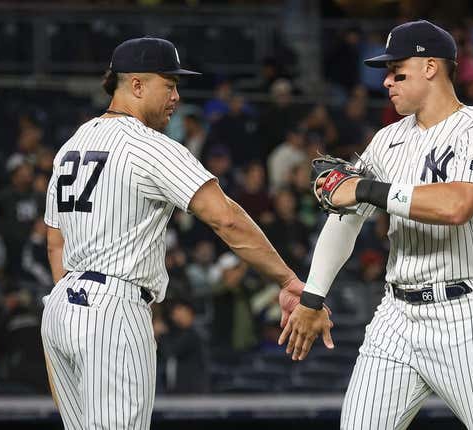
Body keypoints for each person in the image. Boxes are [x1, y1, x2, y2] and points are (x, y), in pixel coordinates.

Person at [40, 37, 332, 430]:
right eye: (169, 84)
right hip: (113, 307)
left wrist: (72, 306)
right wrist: (288, 279)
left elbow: (55, 240)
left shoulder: (72, 145)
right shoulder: (149, 146)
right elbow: (225, 218)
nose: (176, 96)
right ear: (137, 85)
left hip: (61, 307)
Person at [279, 20, 473, 429]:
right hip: (395, 314)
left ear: (430, 67)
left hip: (466, 315)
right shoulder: (387, 139)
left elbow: (456, 206)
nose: (387, 83)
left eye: (398, 72)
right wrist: (312, 297)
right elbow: (345, 219)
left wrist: (365, 190)